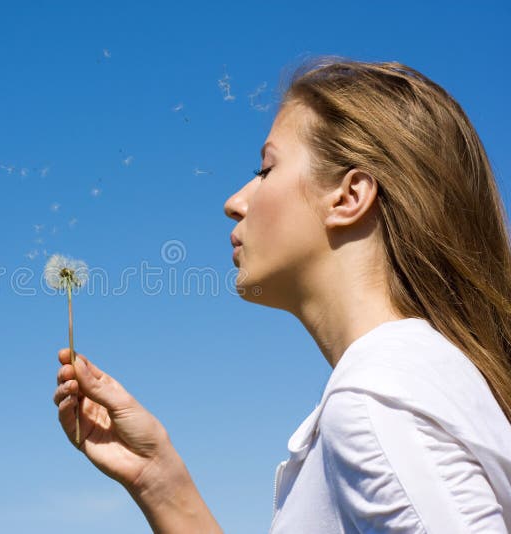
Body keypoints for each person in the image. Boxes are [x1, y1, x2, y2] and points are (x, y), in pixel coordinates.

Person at [52, 57, 511, 533]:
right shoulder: (407, 379)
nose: (235, 202)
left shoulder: (375, 401)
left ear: (348, 198)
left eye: (266, 169)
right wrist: (158, 480)